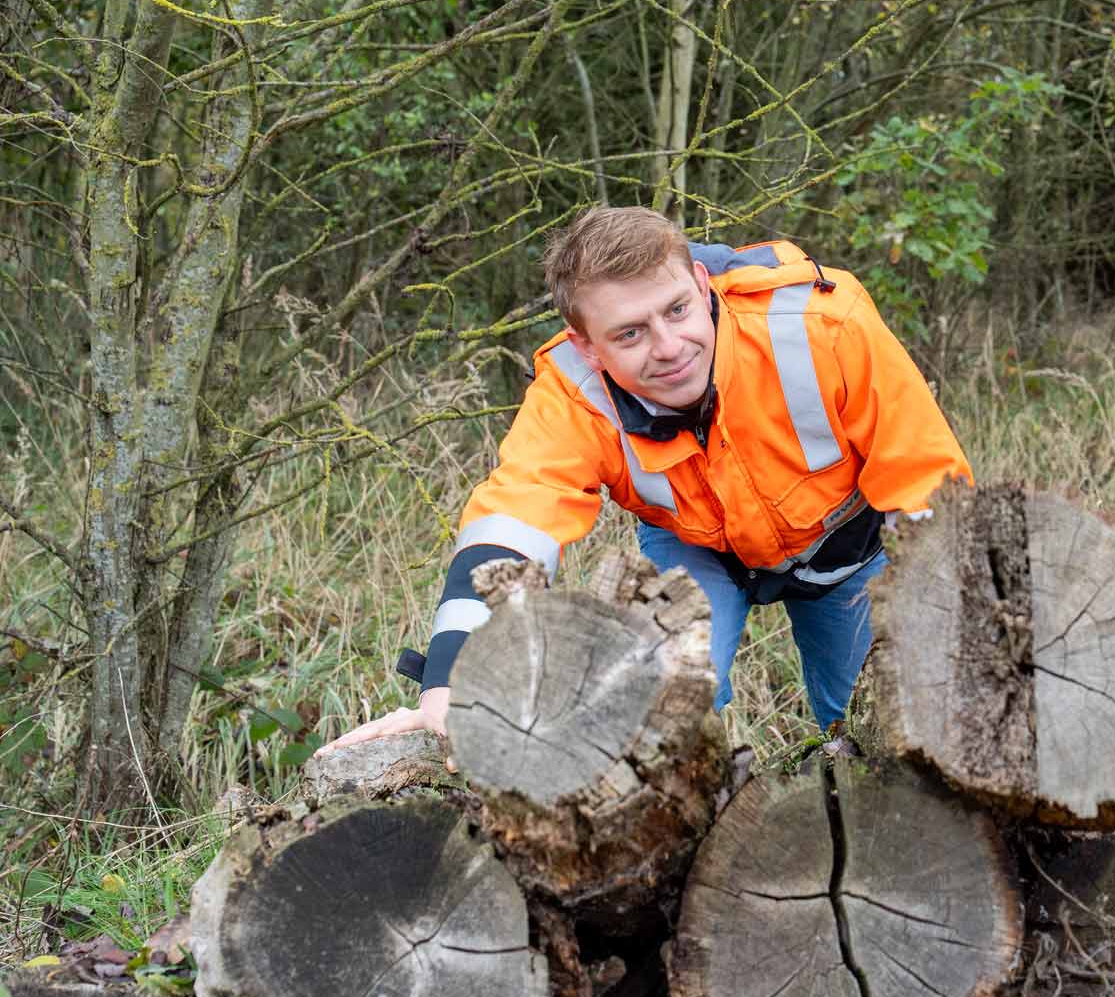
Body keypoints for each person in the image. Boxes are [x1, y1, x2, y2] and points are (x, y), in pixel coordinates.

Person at [322, 206, 970, 754]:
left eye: (678, 310)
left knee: (876, 722)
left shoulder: (822, 324)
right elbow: (513, 523)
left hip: (846, 545)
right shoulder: (573, 395)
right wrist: (450, 683)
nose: (668, 345)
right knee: (658, 722)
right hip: (696, 555)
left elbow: (925, 481)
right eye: (630, 332)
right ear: (586, 345)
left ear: (699, 283)